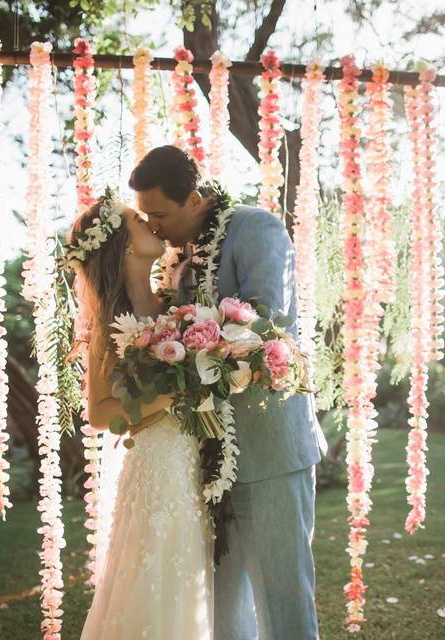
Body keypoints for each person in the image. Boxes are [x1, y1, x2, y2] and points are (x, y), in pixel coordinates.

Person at [130, 145, 328, 640]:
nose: (153, 225)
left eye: (160, 213)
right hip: (207, 452)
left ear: (194, 199)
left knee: (283, 598)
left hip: (269, 446)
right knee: (221, 608)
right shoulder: (181, 255)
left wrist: (176, 339)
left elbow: (265, 320)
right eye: (145, 216)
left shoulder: (255, 227)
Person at [75, 191, 214, 640]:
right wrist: (171, 397)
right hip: (157, 464)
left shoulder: (171, 304)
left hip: (195, 456)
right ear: (124, 243)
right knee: (155, 575)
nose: (152, 223)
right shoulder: (109, 323)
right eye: (139, 219)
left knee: (193, 576)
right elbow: (98, 413)